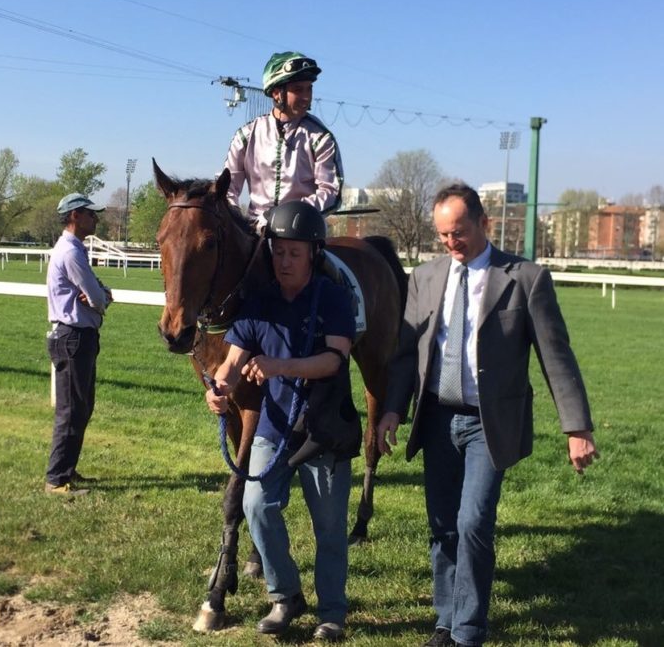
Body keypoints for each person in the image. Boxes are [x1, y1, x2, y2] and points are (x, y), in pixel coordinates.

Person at [376, 184, 600, 647]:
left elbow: (556, 356)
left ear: (484, 224)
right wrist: (393, 410)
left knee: (473, 522)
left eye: (458, 232)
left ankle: (468, 630)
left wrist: (576, 427)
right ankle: (446, 619)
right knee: (442, 525)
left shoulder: (525, 279)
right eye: (442, 235)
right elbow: (404, 355)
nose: (450, 243)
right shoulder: (425, 277)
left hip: (488, 424)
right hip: (436, 417)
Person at [204, 200, 357, 642]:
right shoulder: (258, 301)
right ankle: (285, 595)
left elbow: (334, 360)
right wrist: (220, 387)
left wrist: (277, 367)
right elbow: (232, 360)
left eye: (294, 252)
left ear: (313, 253)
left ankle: (332, 613)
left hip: (323, 429)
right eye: (278, 251)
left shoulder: (333, 297)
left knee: (329, 526)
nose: (285, 260)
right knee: (255, 506)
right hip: (274, 427)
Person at [224, 51, 344, 229]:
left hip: (302, 231)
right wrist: (236, 220)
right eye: (298, 90)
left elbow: (331, 192)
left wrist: (288, 214)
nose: (306, 97)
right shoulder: (246, 135)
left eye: (309, 89)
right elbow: (227, 188)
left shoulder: (321, 137)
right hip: (254, 229)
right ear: (276, 94)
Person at [44, 193, 113, 497]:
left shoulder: (74, 250)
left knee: (82, 408)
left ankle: (67, 469)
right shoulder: (70, 253)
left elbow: (99, 293)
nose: (95, 218)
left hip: (78, 337)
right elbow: (98, 297)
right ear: (74, 216)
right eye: (90, 214)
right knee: (72, 411)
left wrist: (100, 296)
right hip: (73, 338)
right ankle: (57, 479)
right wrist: (100, 298)